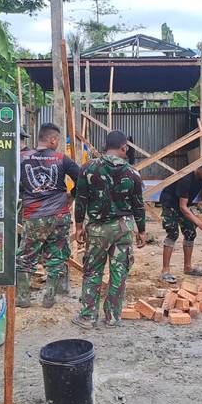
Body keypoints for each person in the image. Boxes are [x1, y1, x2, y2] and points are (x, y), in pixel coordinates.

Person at [72, 130, 147, 329]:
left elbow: (81, 200)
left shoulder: (88, 168)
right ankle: (113, 317)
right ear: (124, 147)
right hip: (123, 229)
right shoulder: (133, 173)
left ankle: (88, 317)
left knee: (92, 272)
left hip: (97, 230)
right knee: (119, 273)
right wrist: (141, 230)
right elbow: (138, 205)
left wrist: (78, 226)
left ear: (106, 146)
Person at [16, 123, 81, 308]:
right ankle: (49, 297)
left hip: (34, 216)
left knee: (26, 256)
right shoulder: (62, 159)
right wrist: (71, 196)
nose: (57, 143)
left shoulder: (22, 158)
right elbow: (83, 180)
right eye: (57, 140)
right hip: (59, 216)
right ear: (52, 139)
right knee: (56, 256)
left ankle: (23, 297)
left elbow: (13, 183)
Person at [158, 162, 202, 284]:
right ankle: (165, 271)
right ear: (200, 168)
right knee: (173, 233)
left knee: (190, 232)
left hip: (184, 205)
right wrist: (200, 223)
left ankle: (187, 267)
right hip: (170, 203)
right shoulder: (186, 178)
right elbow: (183, 207)